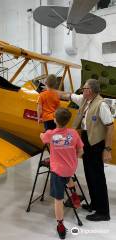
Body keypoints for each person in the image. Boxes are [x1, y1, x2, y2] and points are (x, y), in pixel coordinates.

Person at [57, 78, 114, 221]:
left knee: (98, 178)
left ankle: (103, 212)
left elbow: (110, 126)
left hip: (96, 144)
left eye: (85, 88)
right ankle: (94, 204)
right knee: (89, 175)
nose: (82, 90)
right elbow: (69, 95)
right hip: (87, 141)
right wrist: (51, 92)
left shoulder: (101, 105)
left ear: (91, 90)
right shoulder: (85, 99)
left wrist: (107, 149)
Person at [40, 108, 83, 239]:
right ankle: (74, 195)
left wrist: (43, 134)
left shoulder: (51, 134)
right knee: (67, 177)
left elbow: (42, 137)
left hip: (58, 171)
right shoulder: (74, 133)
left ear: (55, 120)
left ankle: (60, 225)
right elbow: (81, 152)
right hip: (71, 168)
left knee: (58, 199)